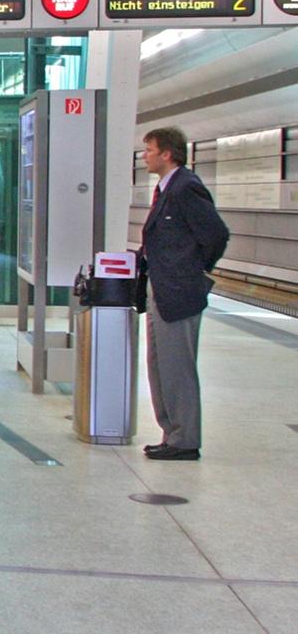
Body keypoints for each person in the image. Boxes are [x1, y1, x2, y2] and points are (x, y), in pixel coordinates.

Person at [139, 127, 229, 461]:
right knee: (160, 364)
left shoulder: (186, 187)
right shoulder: (166, 190)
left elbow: (216, 234)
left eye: (149, 150)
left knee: (177, 365)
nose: (144, 155)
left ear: (167, 154)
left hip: (179, 290)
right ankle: (172, 433)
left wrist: (195, 269)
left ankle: (185, 440)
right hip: (161, 289)